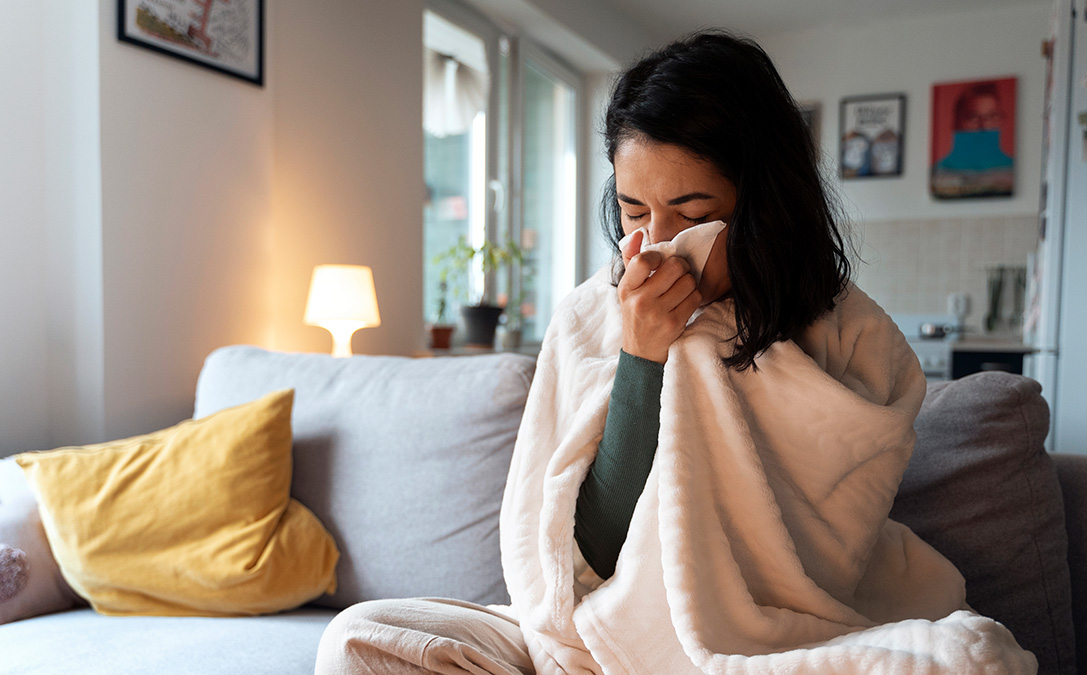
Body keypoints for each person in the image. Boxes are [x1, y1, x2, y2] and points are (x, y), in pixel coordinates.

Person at [315, 31, 1034, 675]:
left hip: (769, 644)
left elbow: (823, 563)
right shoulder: (593, 315)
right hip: (596, 636)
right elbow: (582, 560)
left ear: (763, 204)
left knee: (974, 660)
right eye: (634, 211)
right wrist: (642, 358)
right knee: (365, 637)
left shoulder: (850, 334)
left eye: (692, 214)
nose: (657, 242)